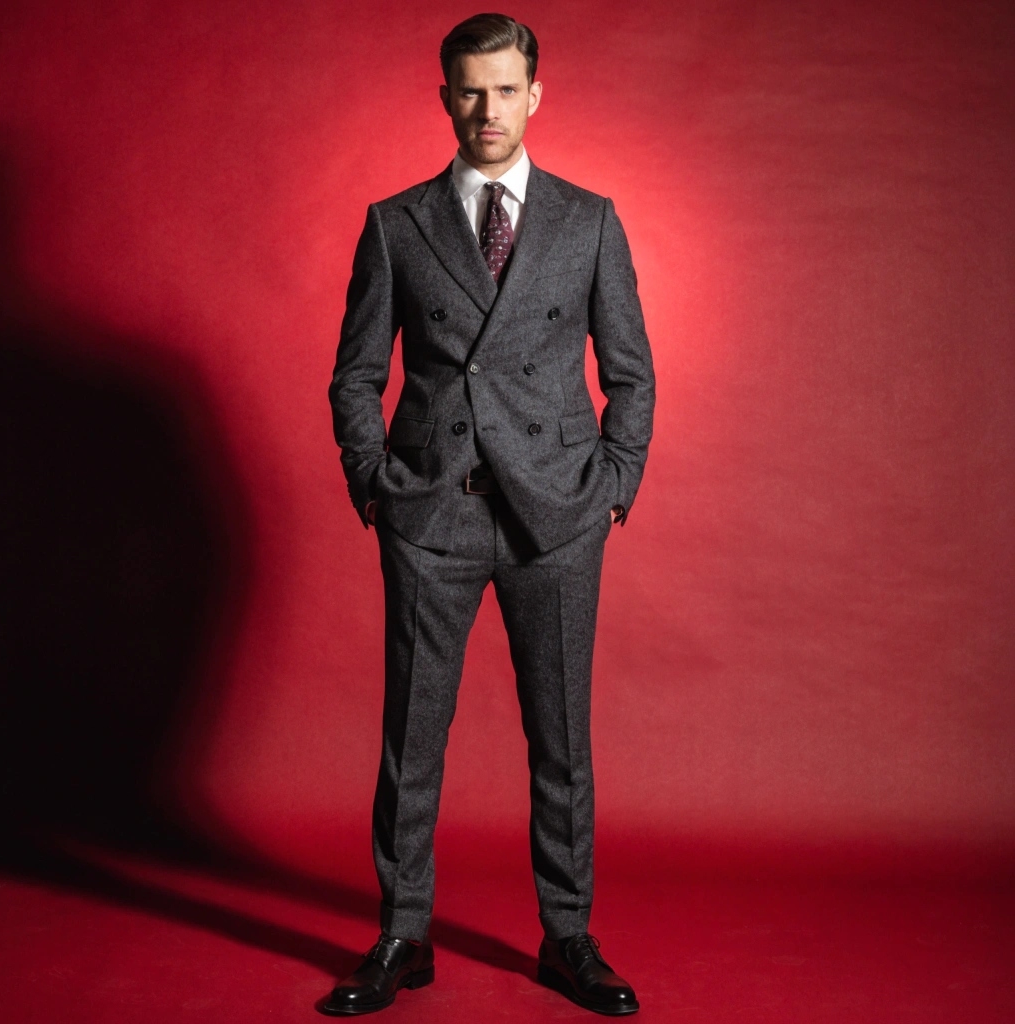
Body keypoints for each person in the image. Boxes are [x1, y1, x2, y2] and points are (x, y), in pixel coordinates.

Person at [324, 12, 655, 1017]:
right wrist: (376, 481)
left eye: (505, 88)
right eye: (469, 89)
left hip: (557, 517)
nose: (487, 109)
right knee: (411, 737)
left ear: (535, 95)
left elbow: (632, 373)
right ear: (444, 97)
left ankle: (568, 935)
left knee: (562, 741)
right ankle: (402, 933)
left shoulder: (588, 219)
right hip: (433, 514)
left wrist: (613, 484)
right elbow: (355, 374)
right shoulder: (397, 222)